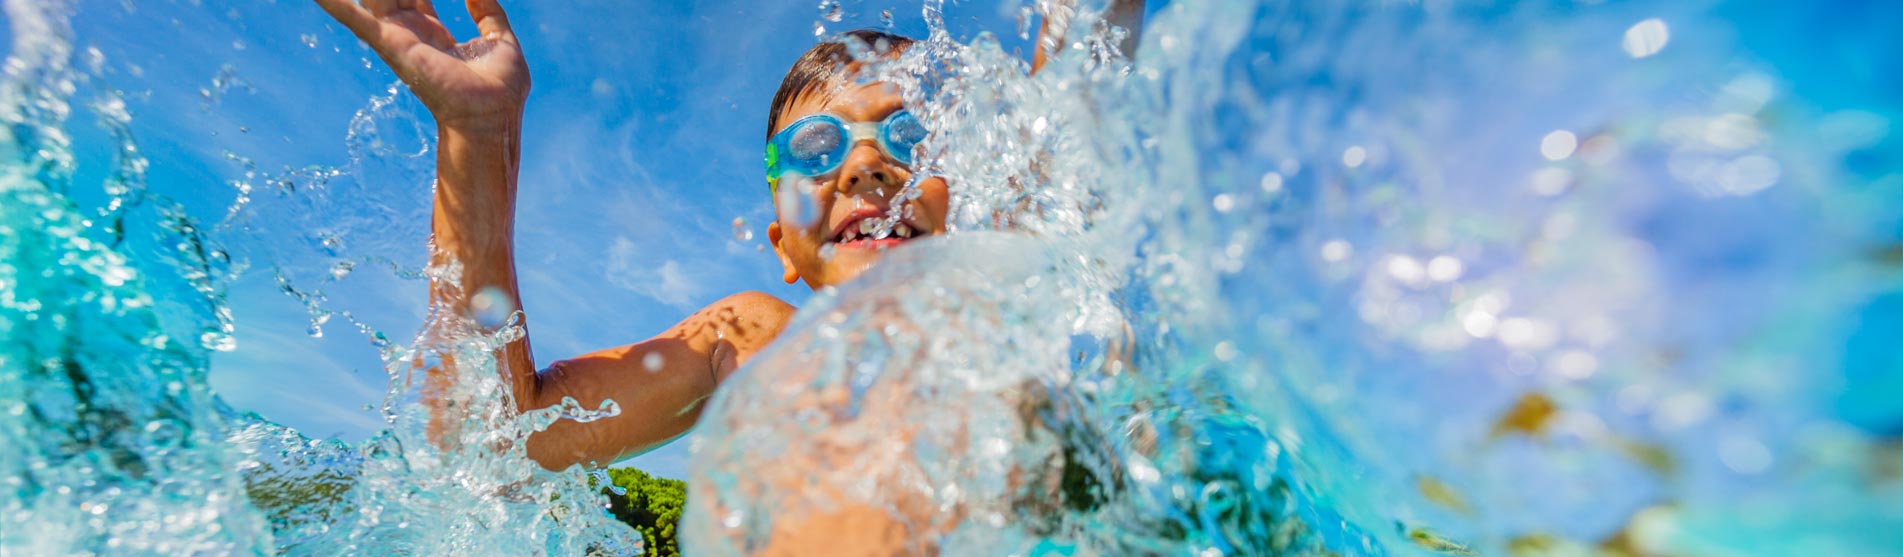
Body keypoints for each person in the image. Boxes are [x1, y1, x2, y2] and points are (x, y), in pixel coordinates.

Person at [310, 0, 1141, 471]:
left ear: (968, 191)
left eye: (912, 138)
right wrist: (475, 137)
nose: (865, 165)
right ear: (783, 243)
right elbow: (488, 443)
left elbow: (1074, 100)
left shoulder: (1018, 316)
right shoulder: (747, 339)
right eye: (816, 150)